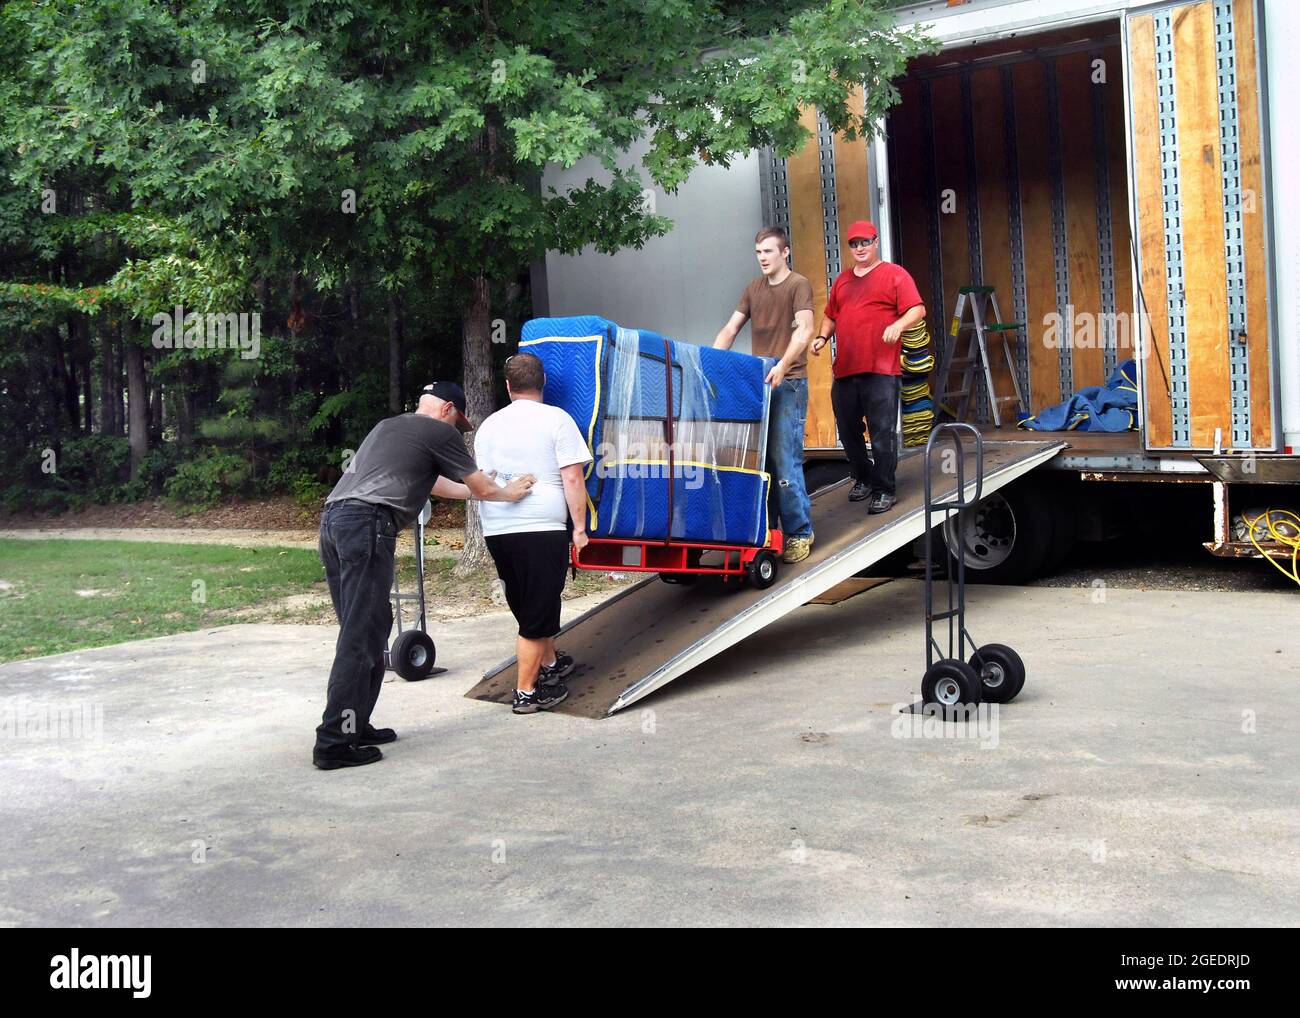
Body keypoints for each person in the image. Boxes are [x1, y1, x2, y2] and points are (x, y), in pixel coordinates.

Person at [314, 381, 535, 769]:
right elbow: (481, 487)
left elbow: (436, 483)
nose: (457, 430)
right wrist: (510, 491)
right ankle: (333, 743)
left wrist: (479, 489)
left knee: (371, 626)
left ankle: (354, 725)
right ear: (448, 408)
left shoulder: (390, 427)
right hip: (367, 522)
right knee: (359, 633)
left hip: (334, 522)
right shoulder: (437, 430)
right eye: (458, 422)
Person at [473, 352, 594, 715]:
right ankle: (526, 693)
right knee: (539, 607)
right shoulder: (557, 419)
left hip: (497, 528)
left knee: (527, 602)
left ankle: (550, 664)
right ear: (542, 384)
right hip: (541, 527)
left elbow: (482, 480)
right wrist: (580, 529)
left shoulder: (488, 426)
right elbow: (572, 478)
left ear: (507, 386)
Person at [713, 226, 816, 562]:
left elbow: (805, 330)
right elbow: (731, 328)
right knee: (762, 464)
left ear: (785, 252)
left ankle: (800, 533)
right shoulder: (753, 288)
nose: (763, 258)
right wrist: (711, 363)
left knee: (785, 463)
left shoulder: (797, 285)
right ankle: (771, 533)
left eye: (769, 252)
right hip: (759, 384)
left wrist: (783, 365)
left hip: (789, 383)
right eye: (759, 253)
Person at [812, 220, 926, 514]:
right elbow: (830, 315)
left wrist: (898, 325)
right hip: (846, 370)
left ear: (876, 242)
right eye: (854, 243)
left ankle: (884, 489)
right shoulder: (843, 281)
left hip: (881, 369)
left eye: (865, 242)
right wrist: (822, 337)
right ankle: (863, 477)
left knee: (882, 432)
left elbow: (917, 308)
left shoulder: (894, 275)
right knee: (848, 430)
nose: (860, 248)